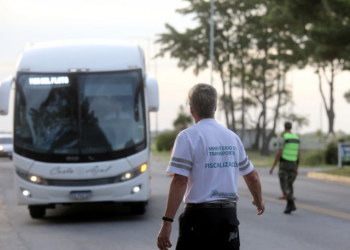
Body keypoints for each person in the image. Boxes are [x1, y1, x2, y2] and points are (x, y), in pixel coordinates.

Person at [157, 83, 265, 250]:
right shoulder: (232, 138)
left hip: (198, 219)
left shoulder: (187, 137)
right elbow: (252, 176)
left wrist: (167, 222)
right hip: (229, 218)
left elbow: (180, 182)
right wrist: (258, 201)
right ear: (215, 107)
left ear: (191, 109)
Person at [270, 122, 300, 214]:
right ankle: (289, 206)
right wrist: (296, 167)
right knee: (290, 184)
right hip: (293, 164)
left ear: (284, 127)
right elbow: (299, 154)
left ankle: (291, 203)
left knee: (284, 185)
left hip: (284, 164)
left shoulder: (283, 138)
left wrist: (273, 167)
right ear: (291, 127)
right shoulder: (296, 138)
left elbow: (279, 153)